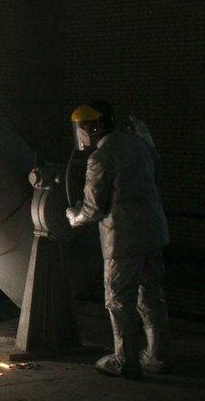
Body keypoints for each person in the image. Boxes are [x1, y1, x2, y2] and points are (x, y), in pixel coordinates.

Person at [66, 101, 172, 378]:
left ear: (95, 125)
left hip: (123, 240)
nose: (82, 132)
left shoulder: (100, 158)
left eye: (83, 127)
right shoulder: (139, 145)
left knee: (118, 301)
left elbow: (92, 209)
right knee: (151, 297)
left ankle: (125, 361)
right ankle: (157, 356)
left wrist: (73, 216)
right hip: (153, 232)